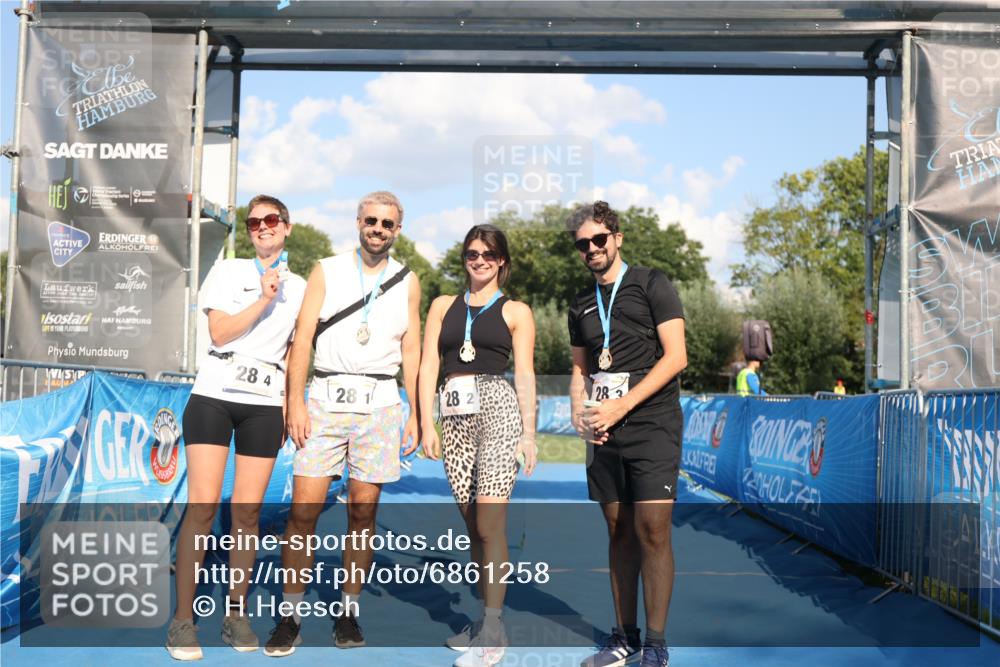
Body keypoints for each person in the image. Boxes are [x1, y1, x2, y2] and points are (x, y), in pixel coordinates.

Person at [263, 191, 421, 657]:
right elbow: (303, 336)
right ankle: (290, 616)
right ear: (357, 222)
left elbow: (411, 347)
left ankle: (348, 610)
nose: (378, 229)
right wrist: (295, 401)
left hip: (380, 406)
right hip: (326, 400)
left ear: (398, 229)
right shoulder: (327, 269)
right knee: (302, 513)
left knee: (363, 513)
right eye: (370, 220)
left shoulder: (407, 279)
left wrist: (415, 409)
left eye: (387, 223)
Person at [167, 194, 307, 660]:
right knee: (203, 507)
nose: (262, 227)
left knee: (246, 514)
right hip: (214, 395)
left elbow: (295, 351)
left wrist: (293, 403)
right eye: (253, 222)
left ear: (287, 227)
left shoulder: (303, 288)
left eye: (271, 220)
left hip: (264, 403)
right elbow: (220, 333)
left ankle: (235, 614)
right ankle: (182, 622)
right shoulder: (228, 271)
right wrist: (264, 300)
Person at [566, 201, 687, 667]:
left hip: (652, 423)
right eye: (583, 244)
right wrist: (581, 409)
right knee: (618, 531)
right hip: (604, 430)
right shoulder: (580, 304)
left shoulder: (652, 283)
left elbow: (676, 357)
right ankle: (624, 636)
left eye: (599, 239)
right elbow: (580, 368)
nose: (592, 249)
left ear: (617, 238)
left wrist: (625, 403)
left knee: (652, 529)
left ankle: (655, 644)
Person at [418, 224, 537, 667]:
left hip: (498, 410)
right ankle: (485, 619)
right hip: (454, 416)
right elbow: (429, 362)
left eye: (489, 254)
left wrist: (529, 432)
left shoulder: (517, 311)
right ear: (464, 258)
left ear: (502, 261)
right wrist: (425, 420)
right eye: (472, 253)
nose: (480, 260)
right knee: (472, 526)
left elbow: (524, 372)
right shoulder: (442, 306)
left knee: (490, 524)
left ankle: (492, 627)